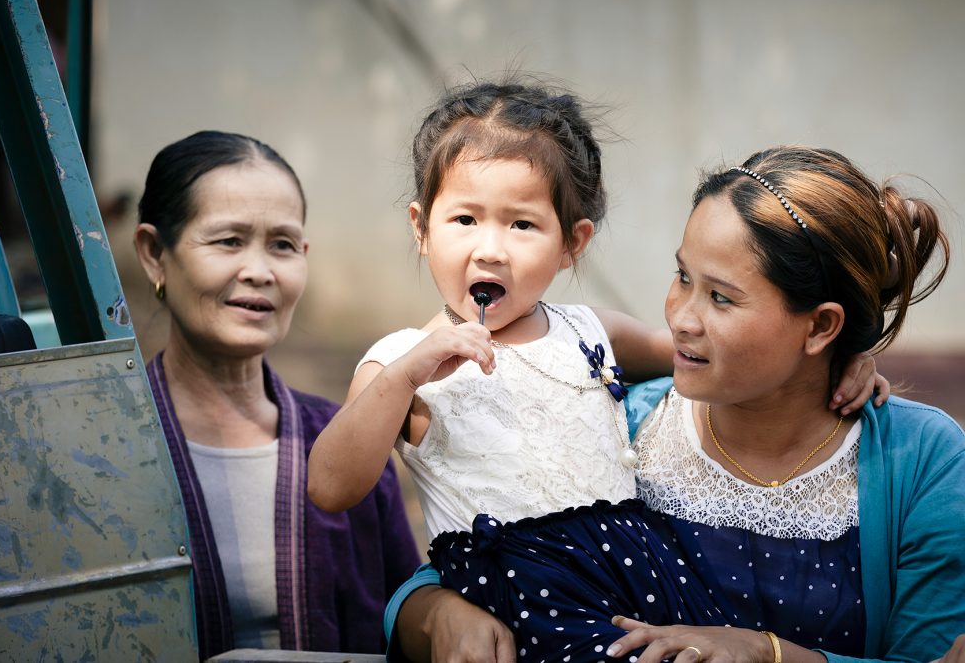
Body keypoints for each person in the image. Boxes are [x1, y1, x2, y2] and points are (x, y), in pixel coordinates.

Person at [387, 145, 964, 663]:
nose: (682, 317)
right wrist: (435, 614)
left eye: (720, 297)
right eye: (682, 276)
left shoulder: (921, 460)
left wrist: (772, 655)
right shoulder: (616, 420)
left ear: (821, 328)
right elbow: (471, 562)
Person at [132, 130, 420, 659]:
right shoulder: (100, 449)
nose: (260, 272)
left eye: (283, 245)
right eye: (228, 241)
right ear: (154, 254)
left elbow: (406, 612)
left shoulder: (349, 446)